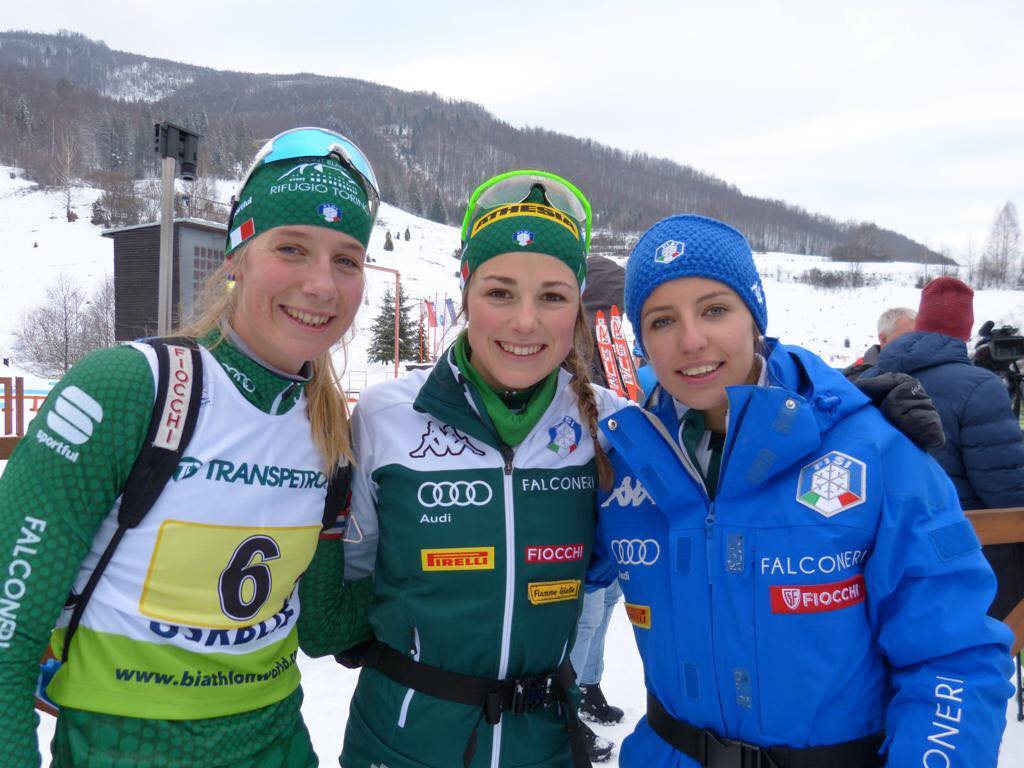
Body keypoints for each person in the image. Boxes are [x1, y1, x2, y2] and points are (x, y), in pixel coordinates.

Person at [0, 126, 379, 767]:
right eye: (292, 248)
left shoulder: (332, 435)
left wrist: (452, 570)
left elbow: (322, 629)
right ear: (236, 258)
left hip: (278, 745)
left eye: (346, 259)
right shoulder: (129, 389)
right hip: (122, 748)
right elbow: (8, 636)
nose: (322, 285)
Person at [592, 215, 1014, 768]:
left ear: (754, 316)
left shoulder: (875, 454)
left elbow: (953, 656)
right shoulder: (626, 462)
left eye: (714, 309)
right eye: (662, 319)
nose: (691, 340)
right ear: (642, 340)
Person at [333, 170, 626, 768]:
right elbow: (353, 574)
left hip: (543, 742)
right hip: (402, 740)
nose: (525, 322)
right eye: (499, 293)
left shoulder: (614, 428)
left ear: (576, 308)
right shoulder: (389, 415)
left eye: (552, 296)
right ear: (466, 295)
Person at [868, 276, 1024, 621]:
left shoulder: (873, 376)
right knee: (977, 655)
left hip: (890, 553)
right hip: (971, 554)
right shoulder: (979, 387)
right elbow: (1008, 490)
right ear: (965, 331)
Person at [843, 306, 916, 381]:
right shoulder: (856, 378)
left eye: (920, 335)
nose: (917, 341)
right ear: (884, 339)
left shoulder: (921, 366)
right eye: (908, 336)